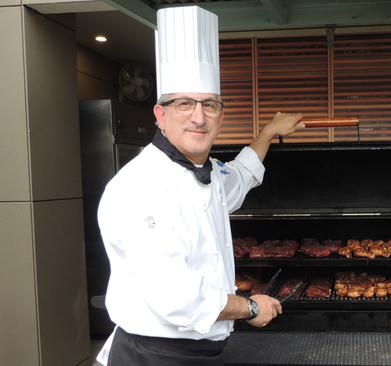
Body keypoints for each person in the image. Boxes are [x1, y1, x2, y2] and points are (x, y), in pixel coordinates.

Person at [95, 6, 304, 366]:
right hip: (153, 355)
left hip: (202, 350)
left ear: (221, 116)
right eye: (184, 104)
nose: (198, 116)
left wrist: (267, 133)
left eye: (209, 105)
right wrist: (250, 306)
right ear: (160, 115)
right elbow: (176, 297)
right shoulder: (140, 187)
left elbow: (239, 176)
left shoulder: (208, 173)